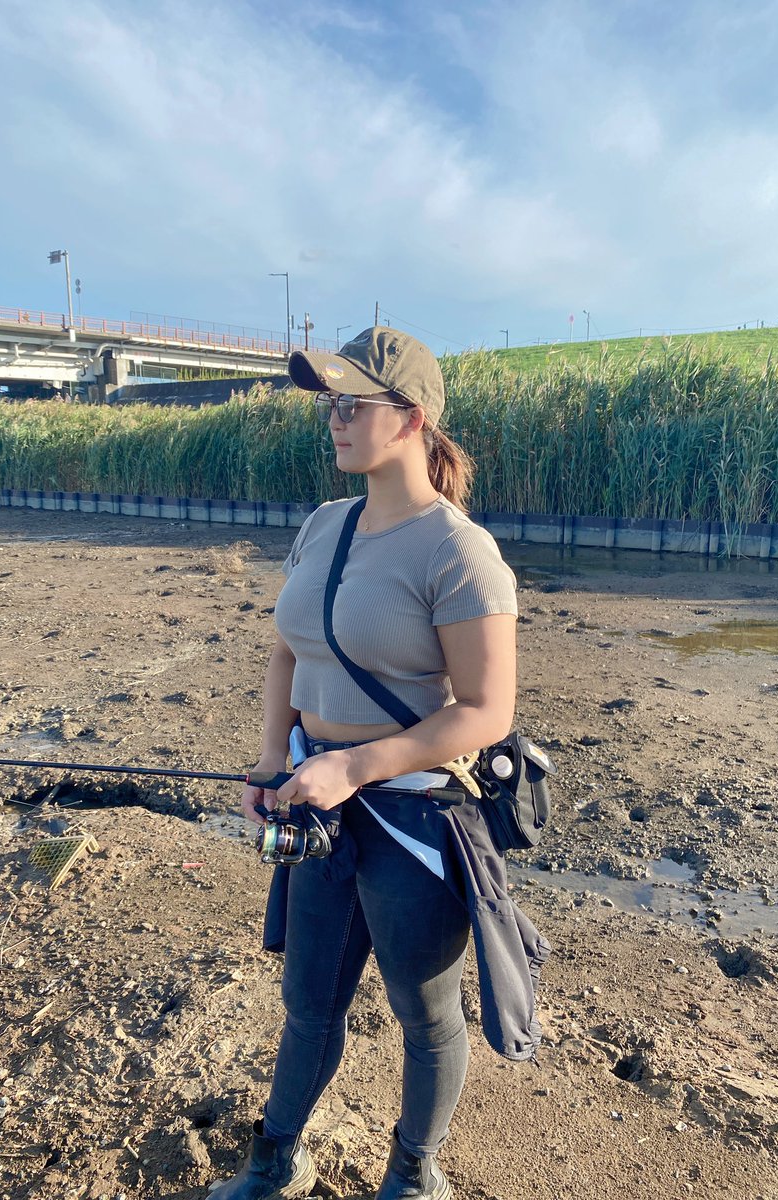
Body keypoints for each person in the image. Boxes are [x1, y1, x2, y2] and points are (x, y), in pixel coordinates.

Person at [212, 327, 540, 1200]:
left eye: (354, 404)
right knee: (307, 1003)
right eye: (331, 404)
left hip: (412, 816)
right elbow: (289, 649)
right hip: (316, 802)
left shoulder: (458, 552)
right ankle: (275, 1157)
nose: (336, 419)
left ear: (413, 418)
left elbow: (485, 712)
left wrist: (355, 768)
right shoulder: (324, 525)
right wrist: (270, 759)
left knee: (424, 1014)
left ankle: (413, 1172)